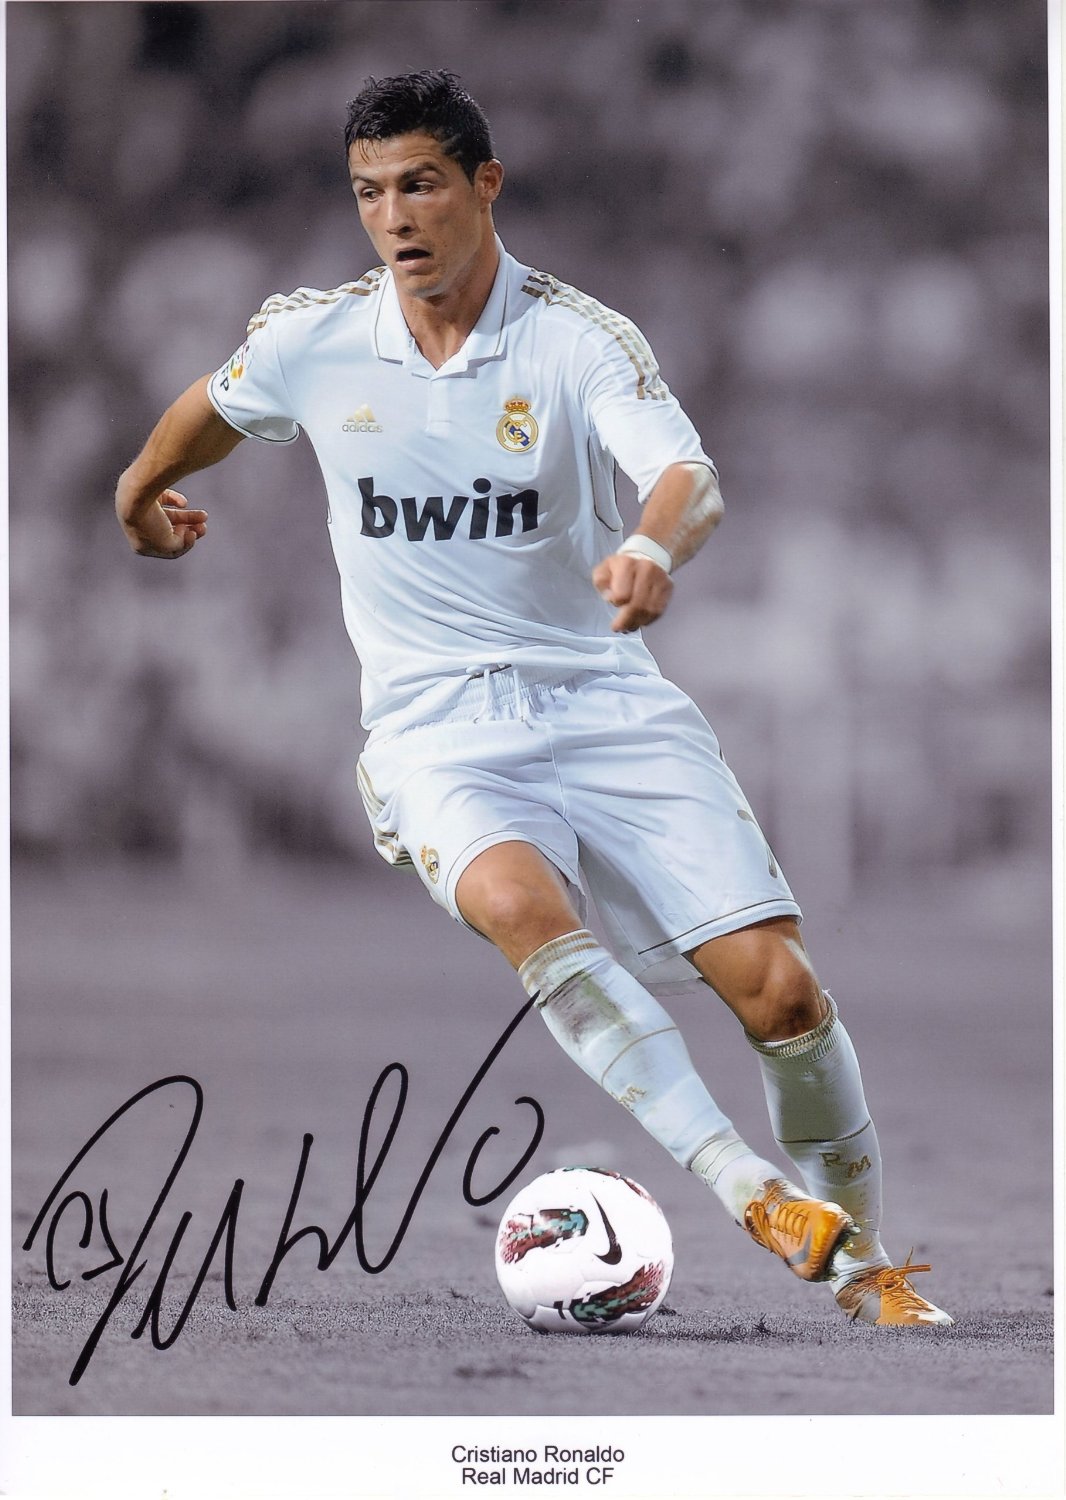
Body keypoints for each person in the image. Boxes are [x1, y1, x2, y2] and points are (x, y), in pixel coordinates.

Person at [115, 68, 951, 1327]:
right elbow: (205, 412)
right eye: (368, 193)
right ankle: (748, 1193)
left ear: (484, 184)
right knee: (518, 906)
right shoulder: (314, 341)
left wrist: (653, 547)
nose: (394, 217)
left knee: (779, 993)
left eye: (420, 185)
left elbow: (686, 475)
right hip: (436, 729)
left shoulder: (575, 340)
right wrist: (137, 493)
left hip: (603, 701)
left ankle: (865, 1264)